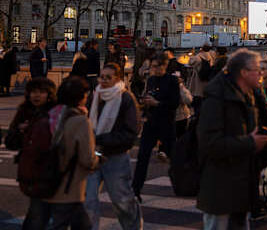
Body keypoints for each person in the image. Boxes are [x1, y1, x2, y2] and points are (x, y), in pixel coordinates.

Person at [197, 49, 267, 230]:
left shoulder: (248, 95)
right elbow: (210, 143)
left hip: (241, 182)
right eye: (257, 69)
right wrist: (250, 143)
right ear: (244, 73)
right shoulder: (217, 98)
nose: (261, 73)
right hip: (221, 185)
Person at [85, 63, 142, 230]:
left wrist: (100, 139)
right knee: (88, 201)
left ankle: (133, 227)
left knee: (122, 201)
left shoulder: (125, 98)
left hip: (115, 156)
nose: (103, 80)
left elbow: (131, 131)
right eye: (101, 77)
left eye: (108, 77)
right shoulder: (95, 96)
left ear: (118, 78)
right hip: (93, 154)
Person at [45, 76, 101, 230]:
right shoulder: (80, 120)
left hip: (51, 179)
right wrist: (98, 160)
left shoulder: (54, 114)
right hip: (70, 186)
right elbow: (87, 158)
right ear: (81, 97)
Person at [7, 78, 58, 229]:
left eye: (41, 92)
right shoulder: (24, 111)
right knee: (39, 212)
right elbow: (11, 142)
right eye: (33, 92)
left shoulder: (55, 113)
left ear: (49, 95)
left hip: (50, 169)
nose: (36, 96)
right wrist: (20, 132)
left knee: (40, 212)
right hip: (32, 169)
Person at [132, 53, 180, 202]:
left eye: (154, 66)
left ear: (163, 66)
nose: (152, 69)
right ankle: (136, 190)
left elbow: (175, 103)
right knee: (142, 157)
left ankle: (181, 184)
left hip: (166, 123)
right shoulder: (151, 80)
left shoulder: (172, 81)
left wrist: (157, 103)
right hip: (151, 122)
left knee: (174, 158)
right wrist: (145, 103)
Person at [188, 45, 213, 117]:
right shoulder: (211, 57)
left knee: (197, 106)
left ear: (201, 49)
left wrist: (192, 54)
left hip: (198, 86)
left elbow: (190, 62)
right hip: (207, 84)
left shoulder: (198, 57)